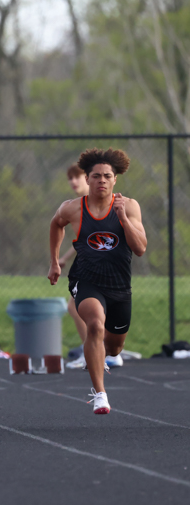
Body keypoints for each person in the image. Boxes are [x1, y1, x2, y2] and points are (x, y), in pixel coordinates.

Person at [48, 147, 146, 414]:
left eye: (107, 176)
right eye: (96, 176)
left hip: (119, 286)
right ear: (87, 179)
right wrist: (55, 261)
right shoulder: (73, 208)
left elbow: (140, 249)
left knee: (114, 349)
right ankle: (100, 394)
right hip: (86, 280)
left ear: (115, 180)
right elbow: (56, 224)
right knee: (94, 324)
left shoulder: (130, 206)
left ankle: (99, 356)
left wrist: (123, 218)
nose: (101, 180)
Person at [57, 163, 124, 370]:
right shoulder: (78, 205)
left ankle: (96, 353)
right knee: (86, 309)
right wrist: (63, 258)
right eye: (70, 178)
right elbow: (84, 241)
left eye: (77, 177)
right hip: (92, 266)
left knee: (75, 307)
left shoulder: (93, 203)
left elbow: (98, 239)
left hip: (105, 268)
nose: (73, 182)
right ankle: (99, 352)